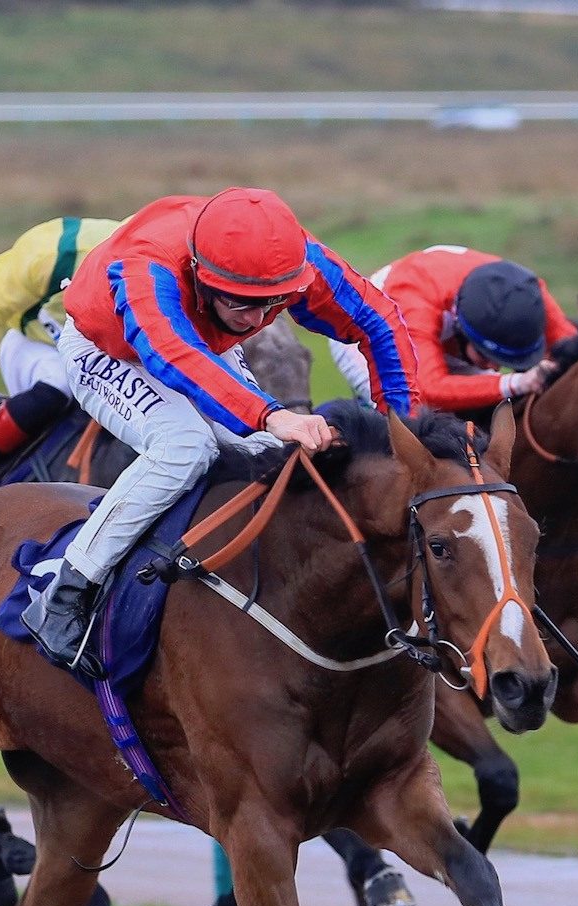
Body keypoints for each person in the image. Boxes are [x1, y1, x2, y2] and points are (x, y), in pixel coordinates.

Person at [23, 187, 418, 674]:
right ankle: (67, 591)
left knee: (271, 453)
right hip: (110, 348)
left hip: (202, 343)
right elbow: (173, 356)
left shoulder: (296, 260)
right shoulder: (146, 265)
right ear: (198, 272)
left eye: (271, 304)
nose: (257, 319)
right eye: (242, 303)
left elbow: (381, 322)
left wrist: (404, 436)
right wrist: (272, 414)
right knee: (186, 446)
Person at [0, 215, 122, 511]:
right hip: (36, 343)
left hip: (102, 349)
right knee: (59, 384)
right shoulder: (52, 255)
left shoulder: (167, 265)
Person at [329, 245, 576, 415]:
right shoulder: (414, 302)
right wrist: (516, 382)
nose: (494, 367)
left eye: (502, 362)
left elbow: (575, 351)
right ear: (460, 327)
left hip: (437, 326)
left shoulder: (527, 291)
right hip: (369, 335)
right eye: (486, 357)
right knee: (415, 413)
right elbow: (427, 390)